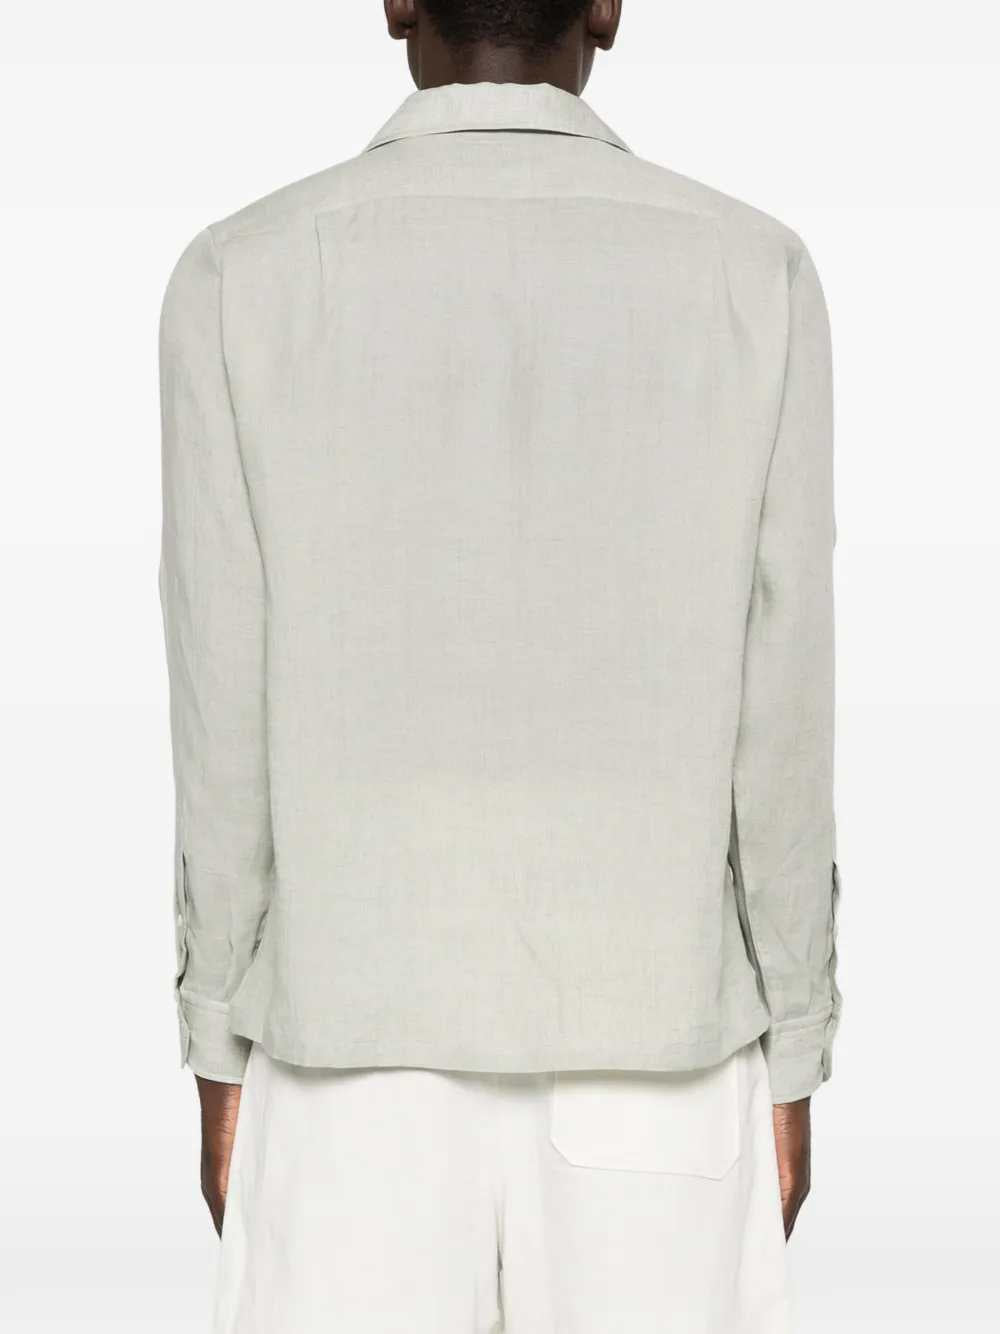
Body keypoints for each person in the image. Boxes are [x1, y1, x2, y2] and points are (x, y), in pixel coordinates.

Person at [158, 2, 841, 1329]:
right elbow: (785, 708)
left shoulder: (240, 277)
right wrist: (799, 1038)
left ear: (397, 3)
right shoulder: (755, 276)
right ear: (609, 9)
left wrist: (215, 1032)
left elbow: (220, 705)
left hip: (346, 1057)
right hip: (662, 1050)